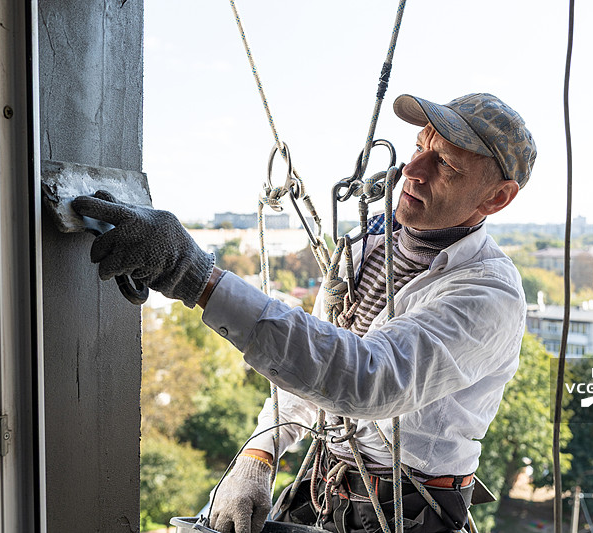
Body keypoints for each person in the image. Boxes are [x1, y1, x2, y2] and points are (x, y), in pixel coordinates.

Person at [73, 92, 537, 533]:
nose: (411, 170)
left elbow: (364, 380)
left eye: (446, 166)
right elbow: (317, 359)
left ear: (496, 198)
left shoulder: (487, 293)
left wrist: (197, 278)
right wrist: (261, 451)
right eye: (418, 148)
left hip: (408, 511)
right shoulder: (367, 248)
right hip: (327, 483)